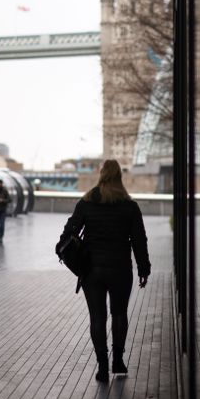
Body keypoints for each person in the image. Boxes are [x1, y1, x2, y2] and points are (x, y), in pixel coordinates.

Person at [58, 159, 151, 383]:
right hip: (120, 268)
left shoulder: (86, 202)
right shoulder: (129, 206)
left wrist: (65, 250)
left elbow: (69, 232)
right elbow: (139, 241)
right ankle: (118, 362)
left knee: (97, 317)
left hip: (92, 270)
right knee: (119, 314)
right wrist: (144, 268)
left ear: (101, 175)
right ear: (120, 177)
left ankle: (102, 366)